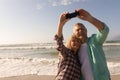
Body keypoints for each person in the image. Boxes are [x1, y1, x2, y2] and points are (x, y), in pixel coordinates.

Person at [72, 9, 111, 80]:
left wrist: (89, 18)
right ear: (74, 34)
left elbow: (105, 30)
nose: (80, 31)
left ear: (86, 31)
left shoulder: (94, 40)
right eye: (77, 30)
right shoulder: (75, 48)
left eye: (82, 29)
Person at [54, 12, 82, 80]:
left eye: (78, 41)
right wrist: (61, 24)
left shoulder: (78, 59)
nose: (76, 42)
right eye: (74, 40)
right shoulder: (66, 52)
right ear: (70, 42)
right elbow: (59, 42)